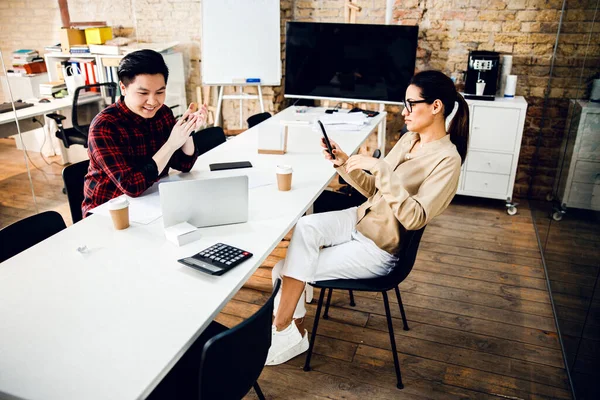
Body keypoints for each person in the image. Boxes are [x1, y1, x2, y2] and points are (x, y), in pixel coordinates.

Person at [266, 70, 470, 365]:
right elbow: (373, 189)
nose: (404, 112)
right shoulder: (409, 139)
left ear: (436, 106)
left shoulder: (447, 160)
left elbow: (415, 218)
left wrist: (384, 170)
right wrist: (344, 164)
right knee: (306, 226)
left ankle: (284, 329)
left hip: (378, 247)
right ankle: (289, 331)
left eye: (411, 104)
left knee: (286, 270)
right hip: (360, 218)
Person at [82, 49, 208, 217]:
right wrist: (171, 144)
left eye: (160, 92)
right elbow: (131, 186)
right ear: (123, 88)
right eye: (143, 93)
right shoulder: (104, 126)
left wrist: (187, 130)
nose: (153, 101)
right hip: (109, 212)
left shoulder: (162, 113)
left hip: (151, 200)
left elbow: (184, 165)